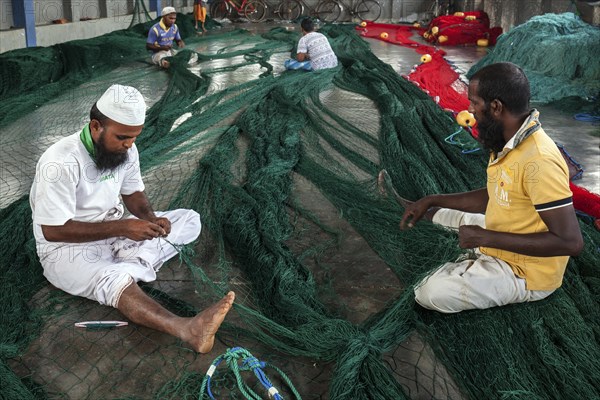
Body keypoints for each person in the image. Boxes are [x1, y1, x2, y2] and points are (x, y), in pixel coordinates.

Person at [30, 84, 235, 353]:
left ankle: (125, 267)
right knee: (114, 281)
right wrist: (124, 227)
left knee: (188, 220)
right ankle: (188, 329)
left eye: (134, 138)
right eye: (123, 137)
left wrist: (151, 218)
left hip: (114, 233)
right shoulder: (59, 163)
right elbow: (53, 231)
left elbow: (134, 193)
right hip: (66, 250)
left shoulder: (126, 150)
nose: (129, 144)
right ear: (95, 127)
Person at [392, 62, 583, 313]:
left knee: (429, 292)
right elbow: (496, 195)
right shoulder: (508, 138)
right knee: (448, 216)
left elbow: (571, 242)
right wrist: (432, 200)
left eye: (474, 103)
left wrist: (487, 238)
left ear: (495, 107)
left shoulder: (540, 160)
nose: (469, 109)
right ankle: (429, 215)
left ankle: (470, 266)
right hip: (500, 230)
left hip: (525, 270)